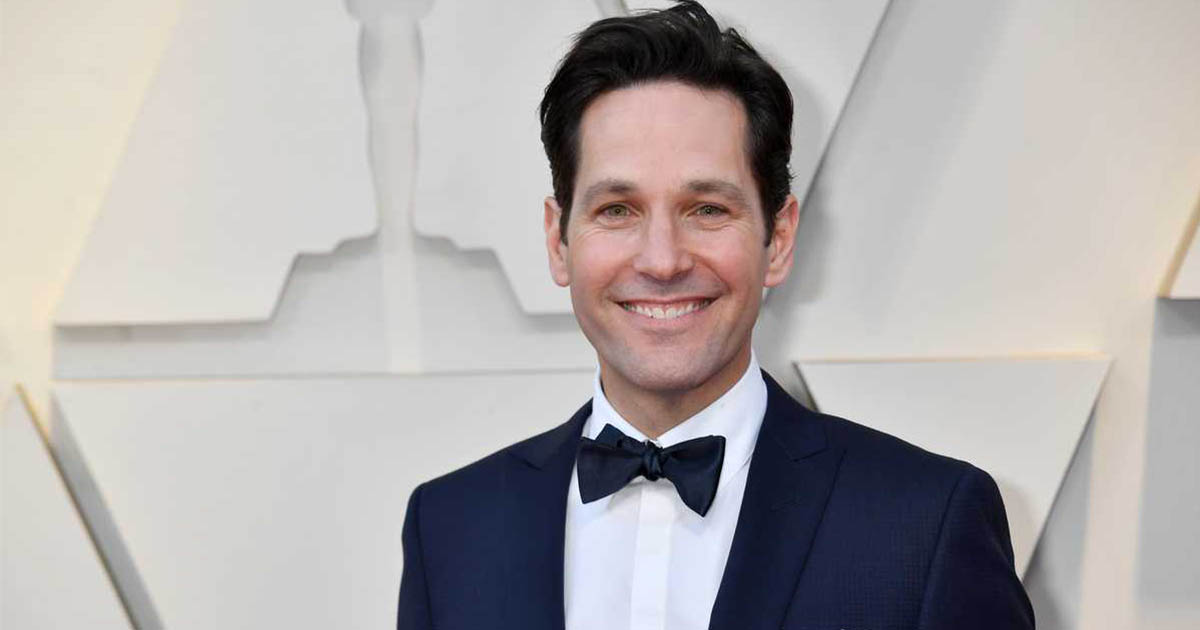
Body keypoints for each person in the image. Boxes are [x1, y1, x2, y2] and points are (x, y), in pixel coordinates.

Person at [397, 2, 1035, 628]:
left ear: (778, 238)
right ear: (558, 241)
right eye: (617, 210)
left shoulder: (925, 523)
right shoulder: (448, 527)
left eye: (707, 209)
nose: (663, 260)